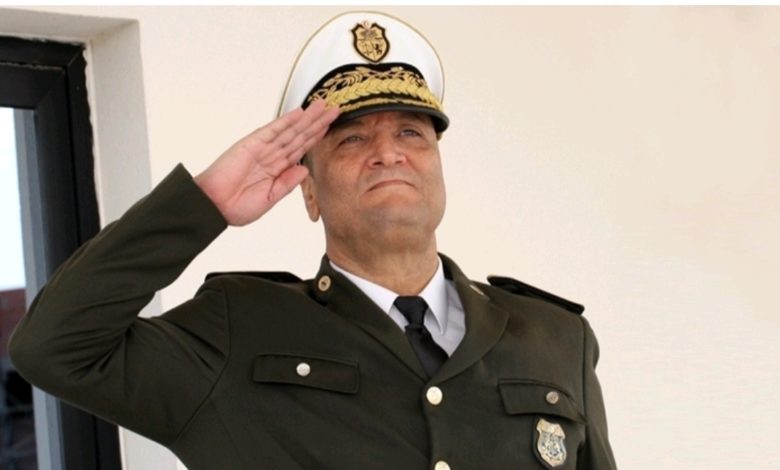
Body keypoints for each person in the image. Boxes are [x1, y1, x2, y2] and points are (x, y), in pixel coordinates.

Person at [9, 11, 616, 470]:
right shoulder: (237, 332)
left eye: (412, 133)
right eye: (351, 139)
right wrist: (203, 203)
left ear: (438, 167)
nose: (388, 153)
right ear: (309, 192)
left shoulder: (555, 338)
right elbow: (53, 348)